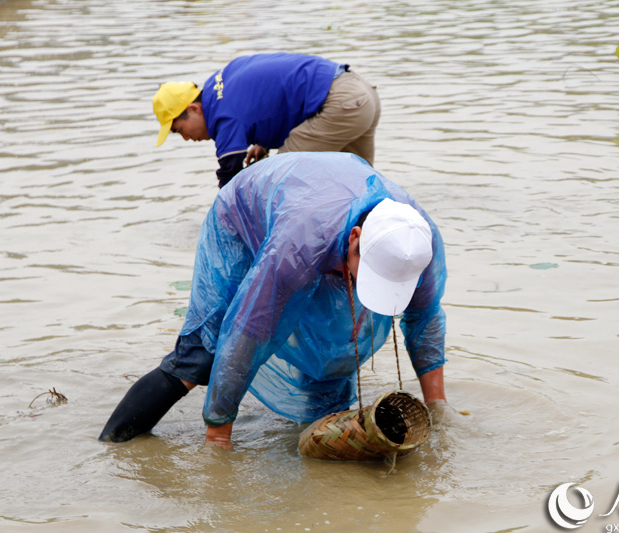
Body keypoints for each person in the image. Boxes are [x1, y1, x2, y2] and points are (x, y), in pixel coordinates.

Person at [99, 152, 447, 448]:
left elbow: (425, 320)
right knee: (205, 354)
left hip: (323, 204)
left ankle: (314, 435)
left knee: (336, 346)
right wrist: (219, 437)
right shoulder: (297, 246)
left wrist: (437, 410)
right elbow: (249, 330)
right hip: (245, 214)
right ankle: (111, 446)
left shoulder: (416, 243)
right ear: (356, 238)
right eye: (367, 270)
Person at [152, 53, 382, 188]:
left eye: (179, 130)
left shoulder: (222, 114)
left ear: (193, 108)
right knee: (361, 187)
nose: (186, 138)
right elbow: (270, 98)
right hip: (359, 92)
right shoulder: (220, 83)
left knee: (279, 181)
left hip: (340, 105)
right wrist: (263, 144)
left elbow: (229, 174)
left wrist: (224, 224)